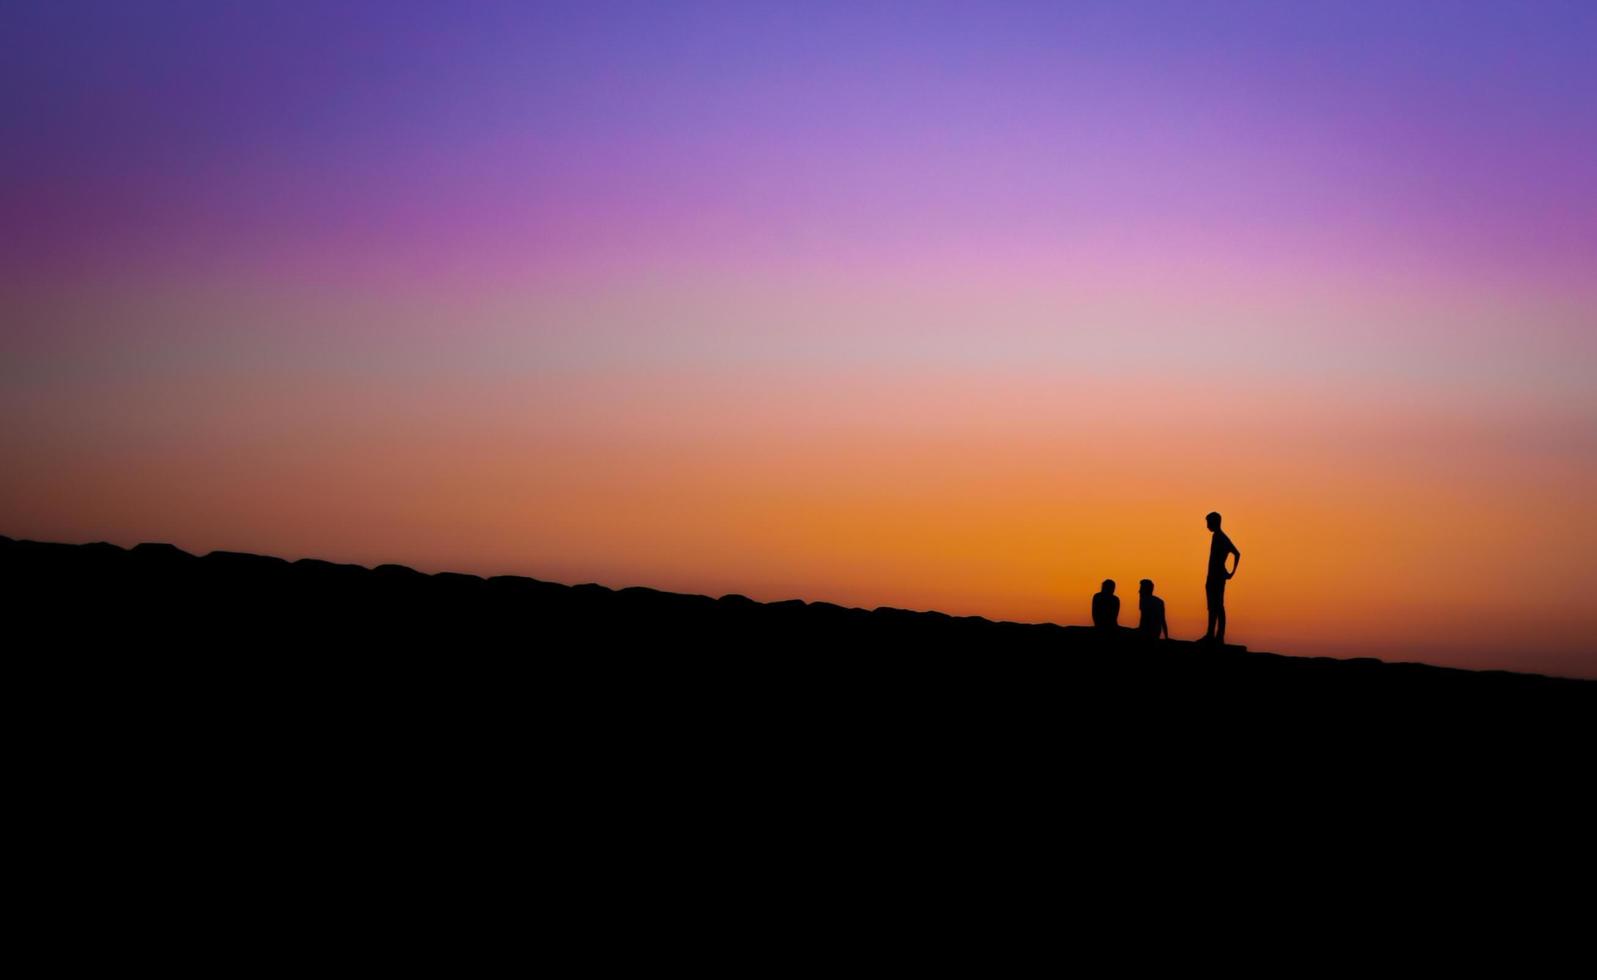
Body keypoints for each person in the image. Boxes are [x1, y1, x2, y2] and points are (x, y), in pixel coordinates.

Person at [1203, 511, 1240, 643]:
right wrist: (1229, 573)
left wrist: (1231, 573)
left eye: (1208, 522)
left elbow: (1237, 553)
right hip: (1214, 575)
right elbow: (1236, 553)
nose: (1207, 525)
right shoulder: (1219, 537)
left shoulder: (1220, 537)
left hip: (1216, 576)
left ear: (1215, 522)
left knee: (1217, 605)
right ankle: (1212, 635)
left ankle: (1217, 636)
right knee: (1213, 606)